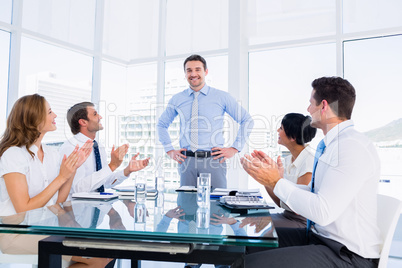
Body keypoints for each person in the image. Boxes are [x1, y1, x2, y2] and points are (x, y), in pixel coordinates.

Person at [237, 77, 381, 267]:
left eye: (310, 103)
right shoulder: (332, 145)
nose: (307, 110)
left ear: (323, 106)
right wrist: (273, 178)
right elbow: (314, 194)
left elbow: (322, 212)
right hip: (319, 239)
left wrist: (275, 182)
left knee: (250, 265)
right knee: (245, 242)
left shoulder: (350, 147)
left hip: (347, 255)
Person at [0, 94, 112, 267]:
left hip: (44, 225)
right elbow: (23, 208)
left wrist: (71, 171)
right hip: (15, 232)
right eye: (50, 112)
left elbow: (58, 201)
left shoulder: (51, 153)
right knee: (98, 257)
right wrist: (62, 177)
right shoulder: (14, 154)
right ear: (33, 118)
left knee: (105, 252)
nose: (55, 116)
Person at [157, 54, 254, 188]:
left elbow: (247, 120)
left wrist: (235, 148)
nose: (193, 74)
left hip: (213, 161)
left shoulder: (221, 97)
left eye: (198, 69)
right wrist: (169, 149)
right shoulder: (177, 99)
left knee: (216, 206)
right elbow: (162, 124)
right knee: (186, 205)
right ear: (185, 73)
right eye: (189, 70)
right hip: (187, 162)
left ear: (205, 72)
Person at [59, 102, 150, 194]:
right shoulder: (71, 147)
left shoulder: (97, 146)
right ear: (83, 122)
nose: (100, 117)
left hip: (97, 205)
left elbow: (105, 182)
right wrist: (112, 165)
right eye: (95, 114)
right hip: (78, 207)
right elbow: (78, 189)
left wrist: (127, 170)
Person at [267, 113, 316, 228]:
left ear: (293, 137)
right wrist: (265, 179)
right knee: (254, 220)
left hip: (302, 222)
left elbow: (298, 208)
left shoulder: (308, 161)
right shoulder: (288, 160)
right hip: (287, 216)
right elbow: (279, 202)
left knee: (259, 225)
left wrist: (273, 180)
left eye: (281, 128)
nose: (278, 130)